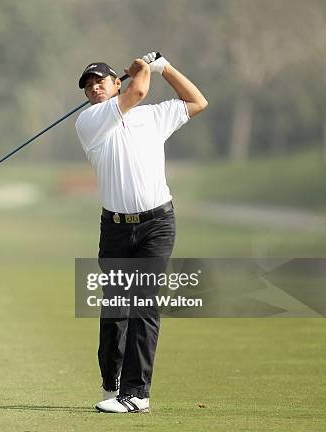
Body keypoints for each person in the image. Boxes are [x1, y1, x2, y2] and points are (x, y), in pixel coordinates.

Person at [75, 52, 208, 413]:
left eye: (101, 80)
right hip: (116, 229)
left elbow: (197, 101)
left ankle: (137, 393)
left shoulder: (152, 117)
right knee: (115, 311)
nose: (95, 87)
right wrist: (143, 70)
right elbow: (136, 93)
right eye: (88, 85)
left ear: (115, 82)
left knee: (144, 306)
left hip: (157, 224)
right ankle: (111, 382)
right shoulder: (89, 121)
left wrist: (165, 68)